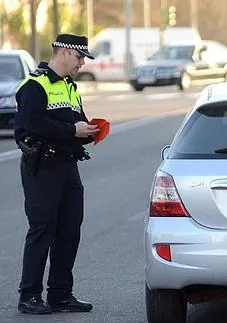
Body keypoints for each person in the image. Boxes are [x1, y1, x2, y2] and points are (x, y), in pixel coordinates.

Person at [14, 33, 100, 315]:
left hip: (68, 167)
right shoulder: (34, 86)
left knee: (69, 231)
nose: (81, 64)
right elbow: (32, 124)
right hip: (43, 168)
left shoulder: (70, 87)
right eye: (78, 57)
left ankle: (61, 295)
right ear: (63, 52)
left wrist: (89, 131)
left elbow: (77, 123)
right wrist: (72, 131)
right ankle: (29, 296)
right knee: (42, 230)